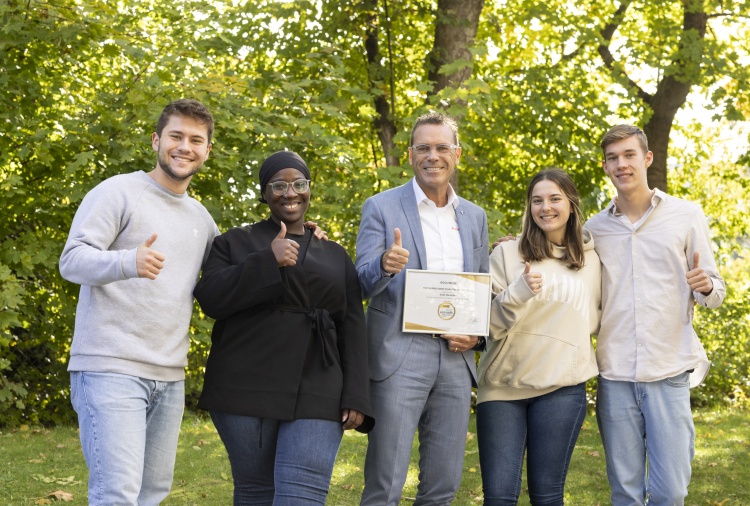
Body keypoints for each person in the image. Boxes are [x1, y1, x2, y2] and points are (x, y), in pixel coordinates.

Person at [59, 99, 218, 504]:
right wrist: (128, 261)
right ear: (156, 140)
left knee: (151, 495)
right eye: (176, 136)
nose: (185, 147)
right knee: (118, 495)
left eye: (195, 140)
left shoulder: (202, 219)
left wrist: (302, 235)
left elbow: (236, 271)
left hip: (169, 376)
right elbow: (71, 260)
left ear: (207, 150)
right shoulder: (119, 192)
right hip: (110, 367)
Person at [193, 150, 374, 505]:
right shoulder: (233, 242)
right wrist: (267, 261)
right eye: (278, 185)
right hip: (245, 383)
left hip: (320, 384)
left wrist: (356, 394)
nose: (290, 193)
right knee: (255, 491)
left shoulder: (334, 252)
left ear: (309, 189)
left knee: (302, 495)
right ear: (264, 192)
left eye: (299, 184)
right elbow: (210, 298)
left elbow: (352, 324)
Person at [585, 124, 726, 505]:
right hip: (614, 375)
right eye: (613, 158)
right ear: (605, 166)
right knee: (625, 492)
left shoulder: (685, 215)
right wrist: (516, 249)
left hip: (668, 370)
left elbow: (717, 290)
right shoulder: (593, 229)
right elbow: (559, 264)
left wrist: (706, 286)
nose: (621, 164)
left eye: (629, 155)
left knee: (671, 491)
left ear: (646, 158)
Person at [356, 112, 489, 505]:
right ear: (411, 154)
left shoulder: (474, 216)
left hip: (454, 359)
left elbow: (480, 289)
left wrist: (477, 335)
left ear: (457, 154)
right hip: (399, 354)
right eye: (424, 148)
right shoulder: (381, 207)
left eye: (442, 147)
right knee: (386, 482)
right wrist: (384, 265)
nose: (433, 156)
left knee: (443, 484)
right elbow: (360, 282)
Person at [477, 168, 602, 505]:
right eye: (537, 200)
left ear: (571, 205)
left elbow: (600, 320)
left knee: (547, 496)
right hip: (502, 389)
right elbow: (482, 323)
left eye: (554, 198)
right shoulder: (506, 254)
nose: (545, 207)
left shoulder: (593, 261)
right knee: (499, 496)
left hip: (562, 389)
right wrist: (516, 293)